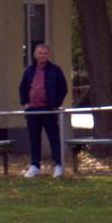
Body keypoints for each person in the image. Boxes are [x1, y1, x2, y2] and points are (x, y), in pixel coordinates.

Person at [19, 43, 68, 178]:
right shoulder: (29, 71)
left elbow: (63, 88)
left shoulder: (55, 70)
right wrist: (25, 103)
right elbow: (22, 88)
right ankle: (35, 165)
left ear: (48, 55)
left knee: (53, 137)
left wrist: (56, 103)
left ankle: (58, 165)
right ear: (35, 55)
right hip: (33, 111)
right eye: (40, 53)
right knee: (34, 138)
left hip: (49, 110)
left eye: (45, 53)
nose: (42, 55)